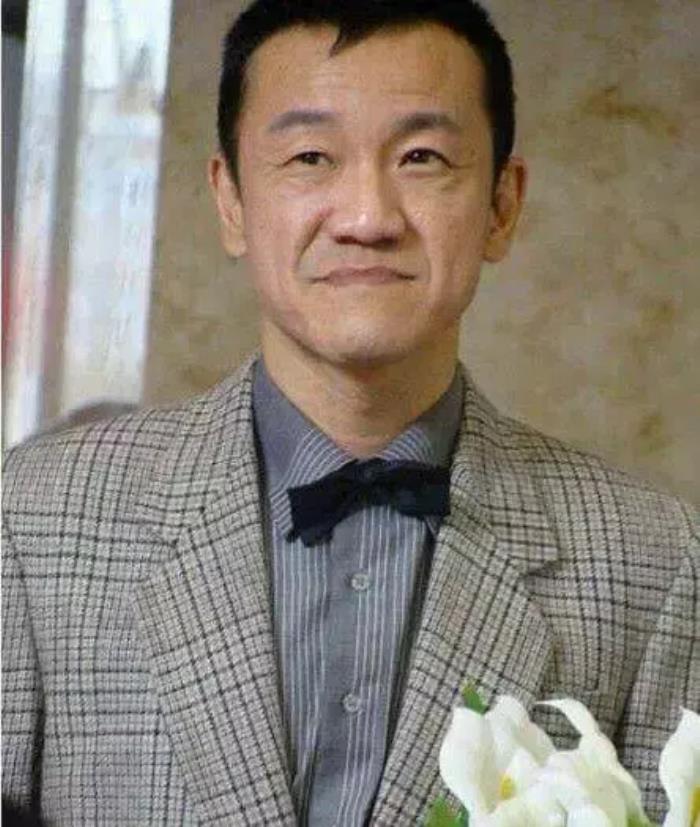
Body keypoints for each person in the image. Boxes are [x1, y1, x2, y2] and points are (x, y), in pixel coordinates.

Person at [3, 1, 697, 825]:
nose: (368, 217)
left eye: (422, 157)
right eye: (310, 156)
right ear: (230, 200)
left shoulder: (655, 560)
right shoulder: (35, 516)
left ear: (502, 205)